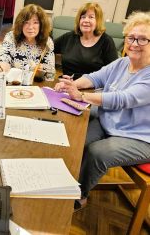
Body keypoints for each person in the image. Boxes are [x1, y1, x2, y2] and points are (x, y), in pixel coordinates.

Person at [55, 11, 150, 210]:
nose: (134, 44)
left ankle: (80, 195)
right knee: (76, 139)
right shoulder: (123, 63)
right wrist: (72, 85)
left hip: (139, 137)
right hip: (111, 122)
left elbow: (122, 99)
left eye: (142, 40)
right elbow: (96, 77)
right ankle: (62, 180)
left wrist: (81, 96)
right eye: (131, 38)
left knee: (97, 153)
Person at [54, 2, 118, 80]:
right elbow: (47, 48)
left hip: (91, 87)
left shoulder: (106, 41)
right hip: (65, 84)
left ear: (98, 21)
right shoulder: (68, 37)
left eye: (91, 17)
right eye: (83, 17)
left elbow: (114, 71)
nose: (86, 20)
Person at [0, 4, 55, 81]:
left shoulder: (47, 41)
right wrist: (3, 66)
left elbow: (51, 72)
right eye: (26, 22)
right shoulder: (11, 37)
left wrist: (43, 69)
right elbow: (4, 57)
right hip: (14, 82)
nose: (30, 27)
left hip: (36, 84)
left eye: (35, 22)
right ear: (20, 24)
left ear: (41, 25)